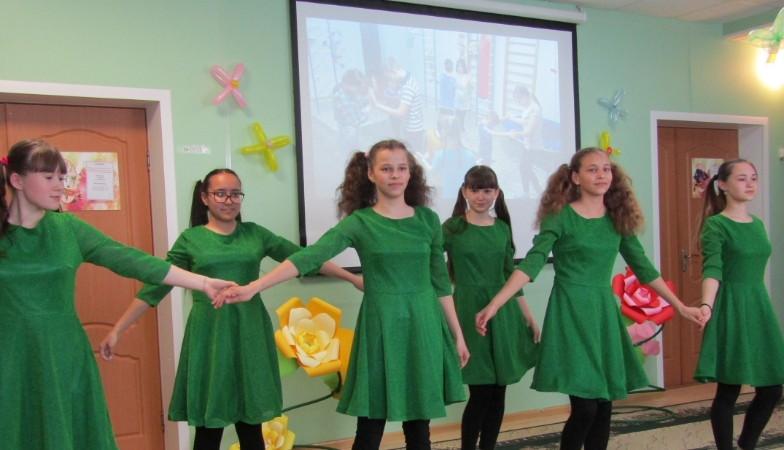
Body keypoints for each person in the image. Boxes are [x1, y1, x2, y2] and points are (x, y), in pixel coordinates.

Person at [215, 140, 469, 450]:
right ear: (370, 174)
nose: (395, 175)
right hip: (381, 326)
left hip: (424, 323)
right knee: (370, 426)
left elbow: (440, 283)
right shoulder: (360, 223)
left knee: (419, 428)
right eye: (386, 168)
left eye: (402, 168)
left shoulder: (427, 220)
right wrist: (254, 286)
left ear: (410, 173)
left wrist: (457, 335)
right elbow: (309, 257)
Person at [100, 168, 361, 450]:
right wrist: (118, 329)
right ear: (204, 197)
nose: (229, 201)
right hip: (209, 335)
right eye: (220, 194)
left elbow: (305, 258)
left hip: (249, 331)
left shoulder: (255, 234)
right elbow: (156, 285)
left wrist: (352, 278)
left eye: (235, 194)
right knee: (209, 426)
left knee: (251, 423)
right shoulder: (191, 239)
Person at [0, 140, 235, 450]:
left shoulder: (67, 228)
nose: (59, 186)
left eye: (62, 177)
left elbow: (130, 260)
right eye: (49, 177)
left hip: (63, 352)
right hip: (10, 355)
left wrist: (201, 282)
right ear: (17, 180)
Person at [475, 147, 704, 450]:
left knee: (604, 408)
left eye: (606, 169)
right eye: (592, 169)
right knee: (585, 409)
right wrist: (495, 304)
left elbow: (644, 268)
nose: (601, 175)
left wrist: (680, 305)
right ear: (575, 177)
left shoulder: (617, 219)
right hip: (569, 312)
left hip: (602, 315)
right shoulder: (560, 216)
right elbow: (532, 262)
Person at [694, 159, 784, 450]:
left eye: (753, 177)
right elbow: (713, 269)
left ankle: (747, 443)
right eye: (741, 178)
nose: (750, 183)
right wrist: (706, 305)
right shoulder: (716, 225)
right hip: (730, 307)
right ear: (723, 185)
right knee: (729, 390)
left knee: (772, 389)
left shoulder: (758, 224)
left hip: (758, 307)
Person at [443, 166, 539, 450]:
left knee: (499, 392)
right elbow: (430, 264)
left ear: (496, 192)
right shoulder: (452, 228)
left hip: (503, 314)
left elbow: (511, 276)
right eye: (475, 189)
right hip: (468, 312)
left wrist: (529, 318)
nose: (481, 196)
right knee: (481, 392)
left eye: (487, 190)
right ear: (464, 192)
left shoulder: (501, 229)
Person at [370, 57, 425, 154]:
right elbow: (397, 101)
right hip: (410, 126)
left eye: (389, 77)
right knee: (410, 153)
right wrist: (378, 93)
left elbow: (400, 113)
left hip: (413, 129)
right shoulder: (406, 81)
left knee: (414, 156)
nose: (389, 79)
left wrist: (377, 105)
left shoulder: (408, 86)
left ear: (393, 71)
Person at [499, 86, 544, 198]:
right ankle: (537, 192)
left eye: (519, 101)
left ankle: (528, 193)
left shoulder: (535, 109)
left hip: (534, 147)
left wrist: (516, 133)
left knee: (524, 168)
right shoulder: (530, 108)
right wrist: (511, 118)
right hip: (529, 145)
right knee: (526, 169)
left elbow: (529, 132)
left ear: (524, 97)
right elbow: (524, 121)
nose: (519, 104)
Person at [417, 116, 476, 199]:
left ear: (444, 132)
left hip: (447, 197)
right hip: (465, 198)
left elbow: (432, 172)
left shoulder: (440, 155)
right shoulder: (470, 155)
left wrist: (422, 160)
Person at [332, 69, 371, 158]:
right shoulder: (340, 95)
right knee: (351, 155)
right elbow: (355, 121)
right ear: (351, 85)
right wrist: (368, 109)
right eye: (358, 87)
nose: (359, 90)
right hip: (347, 131)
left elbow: (354, 106)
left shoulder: (347, 91)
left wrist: (367, 99)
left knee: (354, 149)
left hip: (350, 130)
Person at [454, 58, 472, 132]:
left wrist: (470, 80)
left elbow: (471, 87)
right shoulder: (455, 75)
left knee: (462, 117)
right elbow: (461, 87)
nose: (459, 68)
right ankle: (457, 128)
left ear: (464, 67)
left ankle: (461, 127)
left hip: (464, 101)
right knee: (457, 116)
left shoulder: (467, 76)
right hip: (457, 100)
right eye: (458, 66)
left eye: (461, 66)